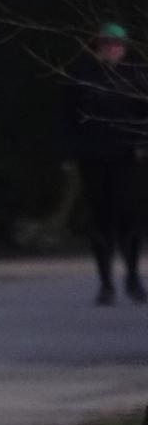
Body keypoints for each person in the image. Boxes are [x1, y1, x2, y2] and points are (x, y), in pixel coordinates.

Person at [62, 22, 148, 305]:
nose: (112, 48)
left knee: (130, 218)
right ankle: (106, 283)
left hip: (127, 158)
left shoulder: (136, 76)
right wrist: (69, 153)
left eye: (117, 44)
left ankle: (134, 278)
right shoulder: (83, 77)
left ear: (125, 47)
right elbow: (68, 117)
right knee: (101, 220)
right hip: (94, 157)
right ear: (97, 46)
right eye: (106, 43)